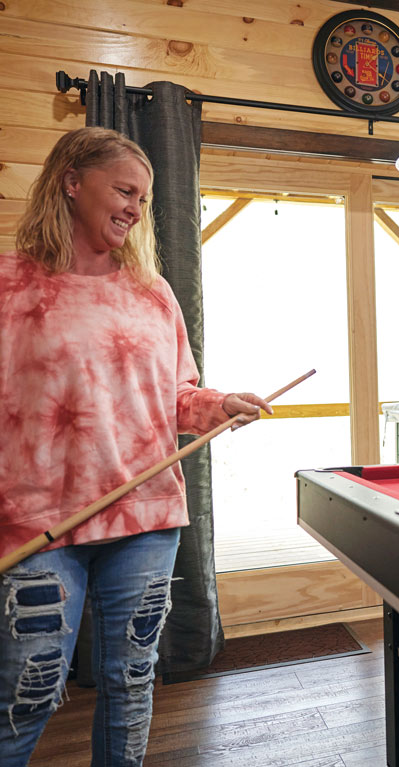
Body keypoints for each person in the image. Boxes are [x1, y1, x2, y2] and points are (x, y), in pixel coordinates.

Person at [0, 127, 273, 766]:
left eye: (144, 200)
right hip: (40, 523)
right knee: (27, 693)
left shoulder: (152, 291)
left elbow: (177, 396)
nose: (135, 207)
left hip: (146, 516)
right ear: (72, 182)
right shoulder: (11, 284)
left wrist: (219, 406)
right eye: (124, 190)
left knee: (131, 683)